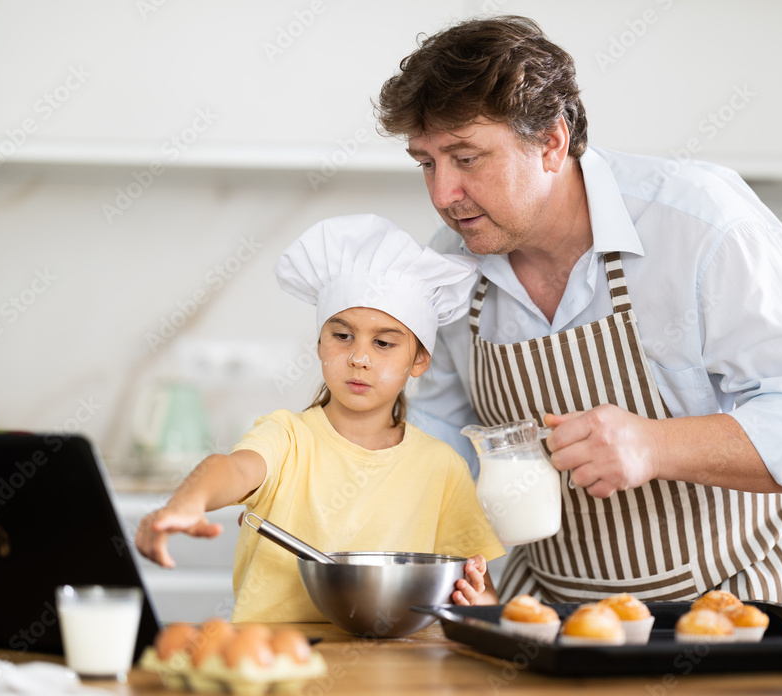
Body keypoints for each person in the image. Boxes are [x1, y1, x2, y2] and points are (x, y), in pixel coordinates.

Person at [375, 15, 782, 611]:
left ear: (552, 143)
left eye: (466, 158)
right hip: (555, 598)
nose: (441, 195)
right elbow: (444, 431)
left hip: (739, 582)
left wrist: (654, 445)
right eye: (427, 163)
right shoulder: (450, 264)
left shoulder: (701, 224)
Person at [135, 214, 506, 622]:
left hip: (394, 673)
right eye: (342, 336)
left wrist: (475, 600)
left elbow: (482, 594)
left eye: (383, 343)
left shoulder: (441, 468)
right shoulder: (287, 437)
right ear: (320, 343)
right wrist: (188, 503)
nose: (359, 358)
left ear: (418, 360)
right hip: (277, 664)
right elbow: (231, 469)